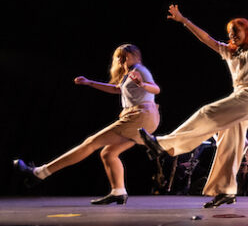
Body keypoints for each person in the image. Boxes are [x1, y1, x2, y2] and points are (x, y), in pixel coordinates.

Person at [139, 5, 248, 208]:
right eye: (230, 33)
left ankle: (162, 145)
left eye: (236, 32)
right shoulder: (229, 51)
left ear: (247, 30)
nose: (232, 36)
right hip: (239, 95)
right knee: (229, 142)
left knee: (207, 112)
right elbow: (205, 38)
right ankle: (226, 191)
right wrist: (184, 20)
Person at [13, 44, 160, 205]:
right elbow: (117, 89)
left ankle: (40, 173)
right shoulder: (128, 75)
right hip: (142, 117)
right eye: (119, 57)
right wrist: (89, 83)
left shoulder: (140, 70)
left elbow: (156, 89)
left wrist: (142, 84)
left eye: (126, 56)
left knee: (91, 143)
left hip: (140, 116)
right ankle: (118, 191)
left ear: (136, 56)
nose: (122, 60)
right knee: (108, 153)